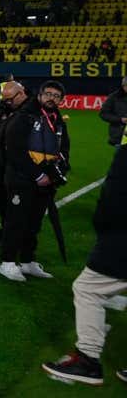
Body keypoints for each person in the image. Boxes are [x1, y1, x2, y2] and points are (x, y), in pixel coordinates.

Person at [41, 145, 127, 385]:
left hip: (120, 239)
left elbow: (115, 198)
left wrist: (104, 229)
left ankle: (88, 361)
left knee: (88, 289)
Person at [0, 80, 70, 282]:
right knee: (16, 221)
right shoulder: (24, 116)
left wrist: (58, 172)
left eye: (56, 96)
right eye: (48, 93)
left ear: (61, 100)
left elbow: (64, 148)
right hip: (22, 179)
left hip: (46, 181)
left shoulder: (57, 120)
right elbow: (14, 150)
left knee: (34, 222)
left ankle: (28, 261)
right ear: (39, 95)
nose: (51, 98)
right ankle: (8, 262)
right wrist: (38, 175)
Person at [0, 81, 29, 241]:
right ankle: (6, 229)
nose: (8, 103)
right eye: (5, 100)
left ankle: (19, 234)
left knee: (16, 202)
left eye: (10, 100)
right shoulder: (8, 109)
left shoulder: (30, 110)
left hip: (18, 167)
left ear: (21, 93)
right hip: (0, 163)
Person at [98, 76, 127, 147]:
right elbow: (103, 114)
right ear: (123, 86)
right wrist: (120, 119)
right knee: (122, 157)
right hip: (119, 135)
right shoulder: (113, 97)